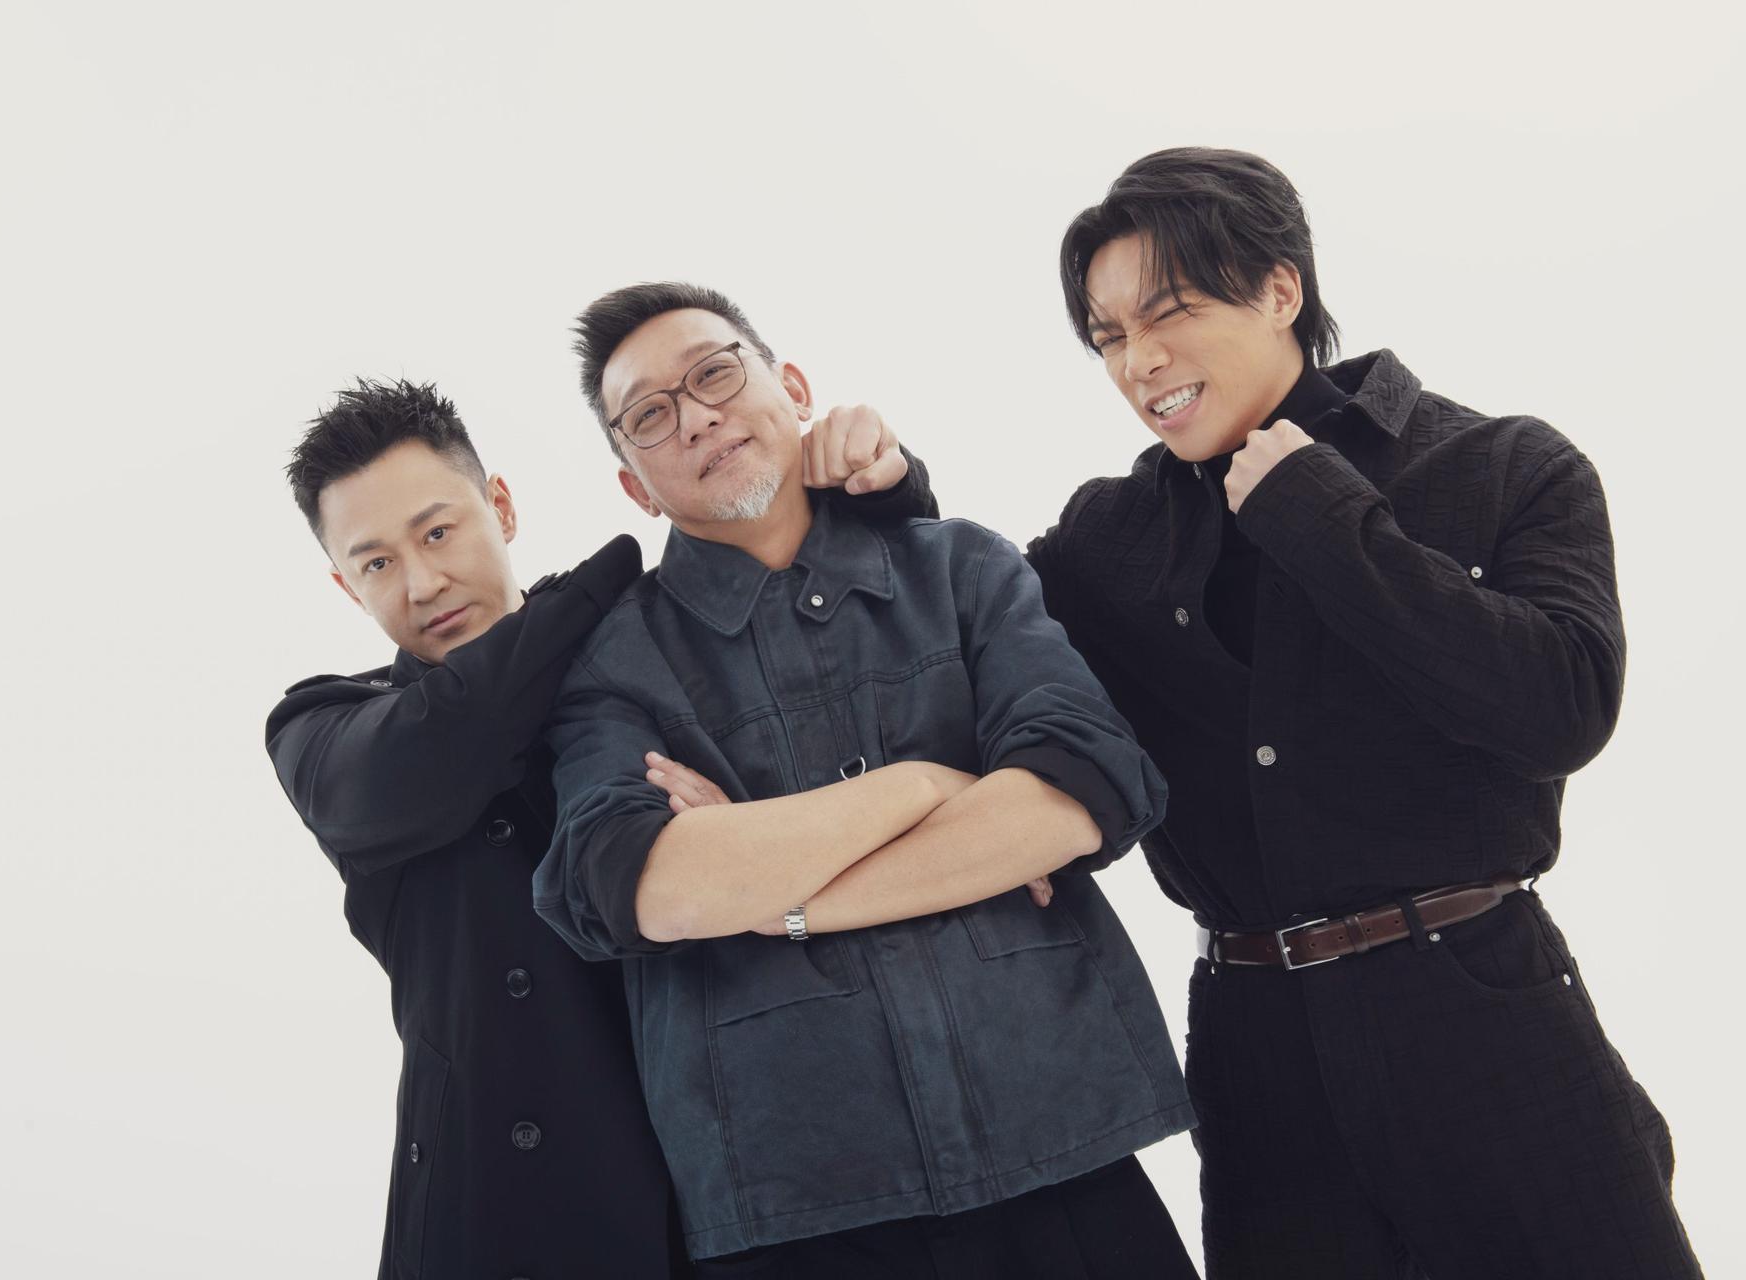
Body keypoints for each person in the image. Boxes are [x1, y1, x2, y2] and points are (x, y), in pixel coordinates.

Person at [1029, 146, 1703, 1278]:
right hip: (1255, 1052)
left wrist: (1319, 513)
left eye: (1170, 312)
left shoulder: (1505, 464)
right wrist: (889, 494)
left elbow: (1563, 707)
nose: (1139, 362)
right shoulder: (1106, 540)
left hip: (1487, 1019)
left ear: (1279, 288)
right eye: (1108, 337)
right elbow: (971, 649)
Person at [533, 283, 1199, 1278]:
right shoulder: (611, 664)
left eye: (714, 374)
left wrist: (779, 898)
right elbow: (649, 886)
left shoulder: (959, 568)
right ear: (636, 487)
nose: (697, 417)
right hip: (801, 1201)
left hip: (1059, 1138)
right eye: (651, 416)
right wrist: (928, 786)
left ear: (794, 388)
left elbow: (1076, 792)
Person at [263, 378, 934, 1278]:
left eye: (437, 532)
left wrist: (888, 493)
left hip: (736, 1180)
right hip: (497, 1212)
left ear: (501, 507)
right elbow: (447, 740)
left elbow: (854, 661)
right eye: (376, 564)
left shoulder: (638, 660)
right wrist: (615, 573)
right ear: (346, 588)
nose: (422, 583)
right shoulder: (326, 727)